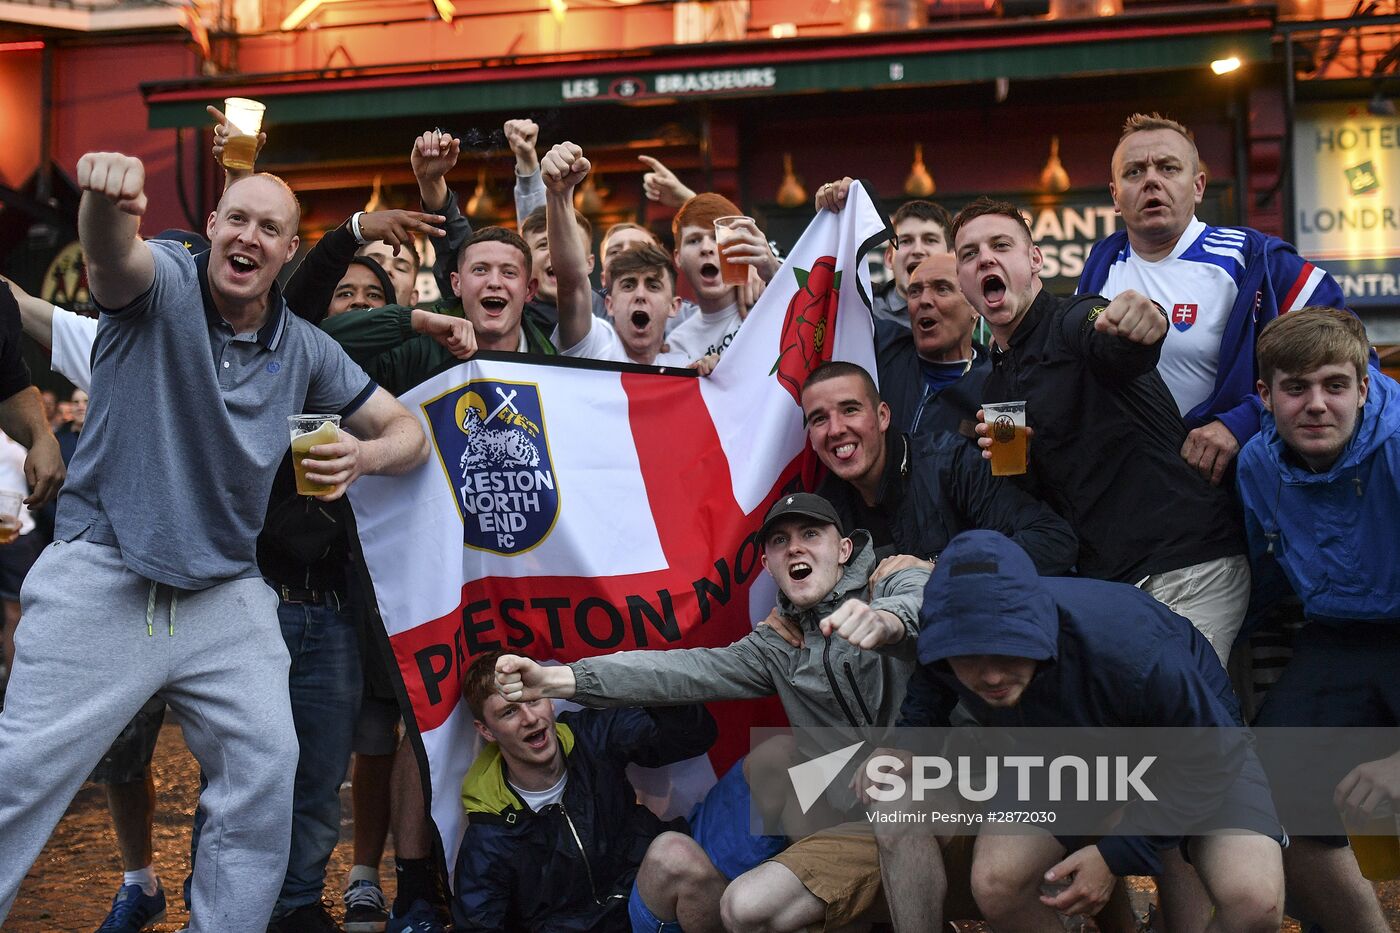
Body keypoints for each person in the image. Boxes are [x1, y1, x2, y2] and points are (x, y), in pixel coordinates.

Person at [0, 153, 429, 932]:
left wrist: (365, 454)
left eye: (271, 227)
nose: (250, 236)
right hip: (103, 570)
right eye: (238, 218)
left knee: (267, 771)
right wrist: (106, 200)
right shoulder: (162, 284)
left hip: (224, 593)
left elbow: (411, 430)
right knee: (16, 780)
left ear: (288, 252)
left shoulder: (305, 348)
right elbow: (109, 255)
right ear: (211, 231)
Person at [496, 492, 938, 932]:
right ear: (768, 565)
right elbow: (680, 670)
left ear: (844, 549)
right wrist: (560, 679)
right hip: (856, 818)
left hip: (943, 786)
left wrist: (885, 624)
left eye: (810, 534)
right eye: (780, 541)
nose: (796, 548)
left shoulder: (891, 577)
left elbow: (917, 605)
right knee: (743, 905)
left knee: (889, 789)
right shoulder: (776, 645)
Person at [900, 531, 1285, 932]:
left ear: (1038, 623)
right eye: (968, 658)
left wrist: (1117, 855)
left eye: (1007, 649)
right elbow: (931, 676)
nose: (992, 675)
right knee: (998, 882)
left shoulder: (1134, 650)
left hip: (1191, 746)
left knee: (1254, 901)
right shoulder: (946, 646)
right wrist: (909, 741)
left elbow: (1211, 755)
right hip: (1065, 749)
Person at [955, 197, 1248, 664]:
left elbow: (1114, 339)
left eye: (1001, 244)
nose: (985, 258)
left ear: (1034, 260)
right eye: (969, 254)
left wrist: (1142, 321)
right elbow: (1041, 504)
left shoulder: (1074, 317)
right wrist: (1018, 467)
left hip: (1187, 567)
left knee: (1188, 723)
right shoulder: (996, 385)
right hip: (1114, 585)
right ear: (963, 283)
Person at [1235, 306, 1398, 931]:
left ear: (1362, 386)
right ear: (1265, 395)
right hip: (1339, 630)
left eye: (1334, 385)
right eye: (1295, 388)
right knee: (1271, 787)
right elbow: (1266, 577)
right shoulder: (1257, 464)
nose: (1316, 405)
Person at [1078, 112, 1349, 486]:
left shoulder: (1255, 260)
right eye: (1135, 172)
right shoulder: (1099, 265)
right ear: (1115, 196)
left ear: (1199, 186)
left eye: (1169, 168)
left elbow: (1348, 358)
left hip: (1229, 494)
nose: (1152, 180)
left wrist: (1239, 424)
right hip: (1130, 495)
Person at [454, 650, 730, 931]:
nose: (529, 718)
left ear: (549, 700)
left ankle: (770, 883)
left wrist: (636, 676)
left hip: (648, 897)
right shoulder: (491, 831)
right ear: (486, 731)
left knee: (771, 760)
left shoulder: (589, 736)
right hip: (629, 907)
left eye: (533, 700)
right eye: (509, 711)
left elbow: (694, 736)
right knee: (676, 853)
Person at [797, 361, 1075, 573]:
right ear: (810, 437)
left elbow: (1053, 542)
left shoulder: (951, 464)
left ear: (882, 417)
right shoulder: (822, 510)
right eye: (819, 419)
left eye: (850, 410)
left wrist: (938, 568)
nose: (835, 430)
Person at [815, 180, 983, 437]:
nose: (917, 249)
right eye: (905, 241)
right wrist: (840, 212)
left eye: (929, 239)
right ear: (889, 257)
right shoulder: (864, 322)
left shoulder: (995, 368)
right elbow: (817, 304)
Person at [542, 142, 693, 367]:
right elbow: (571, 281)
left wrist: (689, 202)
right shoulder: (596, 344)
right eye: (629, 285)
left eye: (653, 285)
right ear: (609, 303)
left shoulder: (693, 362)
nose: (640, 295)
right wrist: (559, 195)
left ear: (674, 306)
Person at [665, 193, 778, 365]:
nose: (706, 248)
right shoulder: (677, 345)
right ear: (678, 257)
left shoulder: (772, 300)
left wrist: (775, 273)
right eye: (694, 240)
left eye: (717, 237)